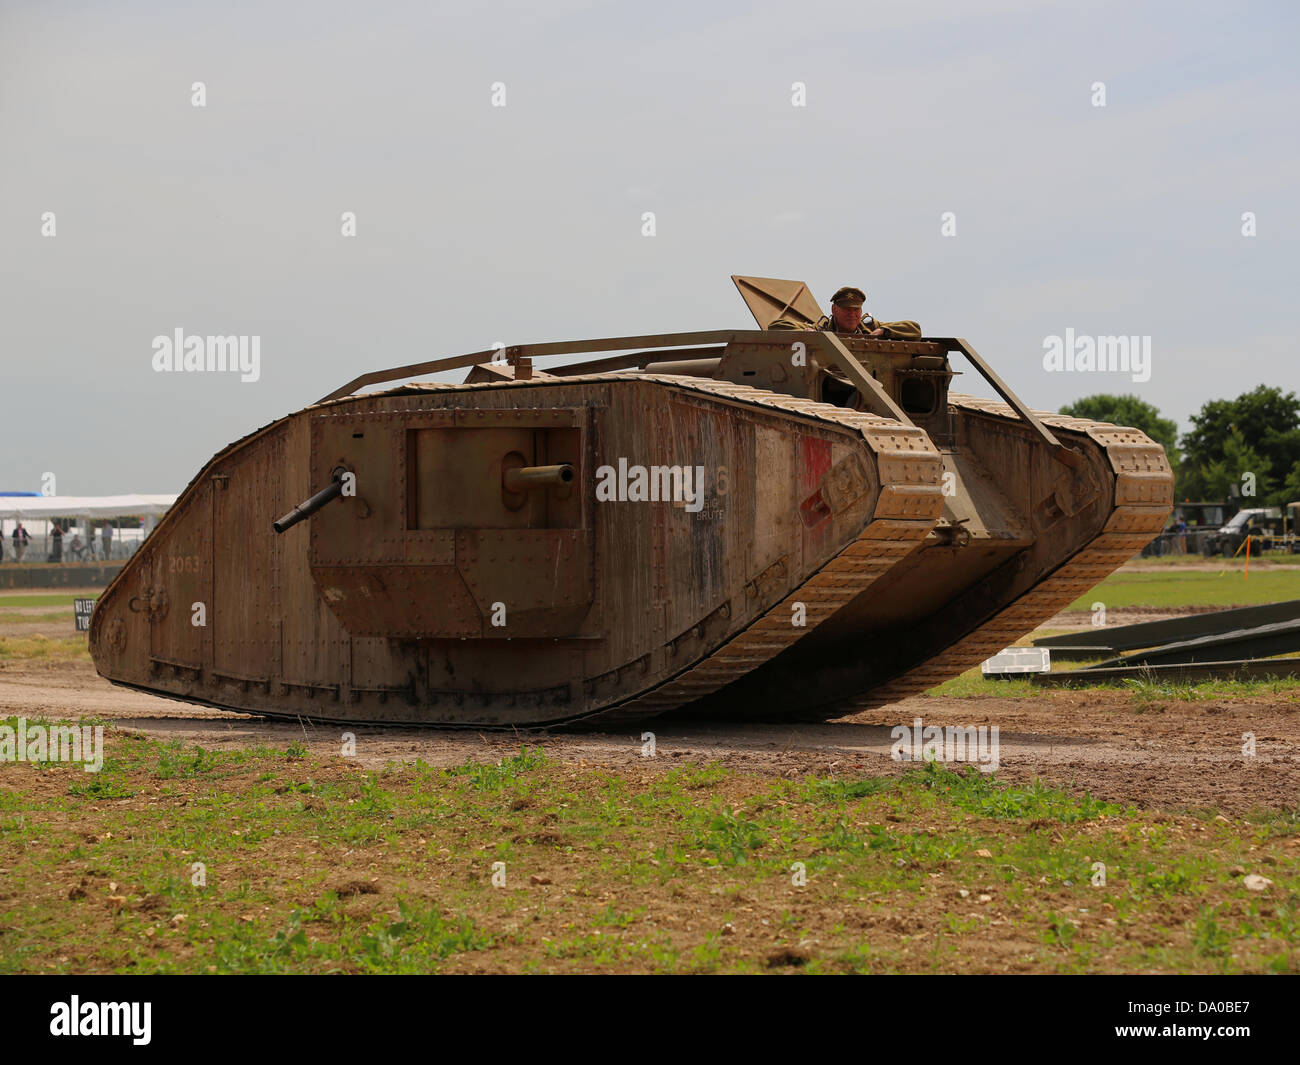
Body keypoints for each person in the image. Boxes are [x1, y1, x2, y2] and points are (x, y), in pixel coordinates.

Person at [770, 285, 922, 338]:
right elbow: (775, 326)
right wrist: (807, 332)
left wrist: (883, 331)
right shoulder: (821, 330)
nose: (852, 314)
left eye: (856, 310)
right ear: (834, 310)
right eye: (847, 310)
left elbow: (914, 328)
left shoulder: (869, 328)